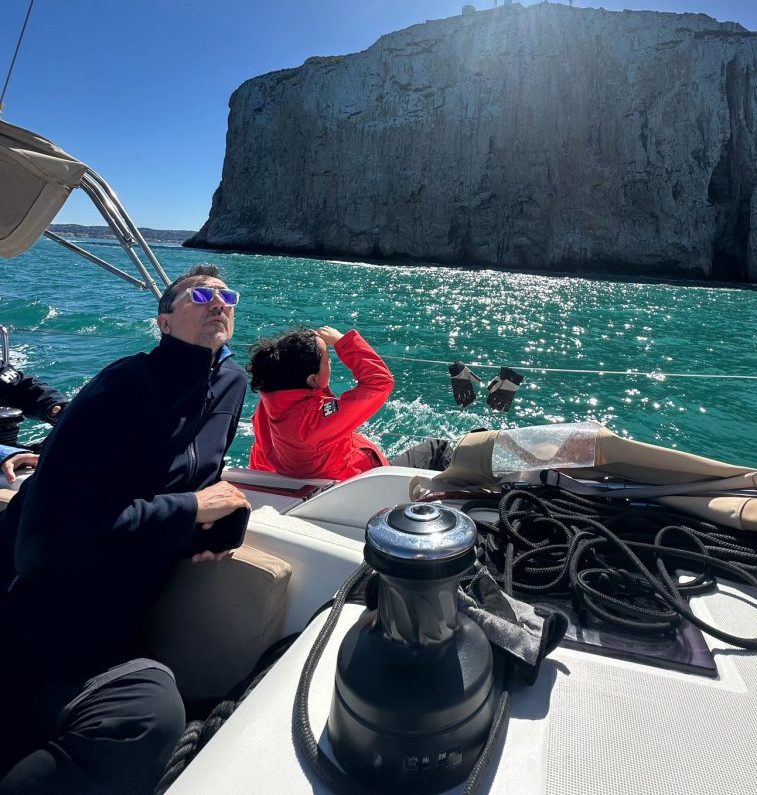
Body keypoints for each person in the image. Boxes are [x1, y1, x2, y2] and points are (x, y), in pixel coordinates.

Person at [0, 264, 251, 795]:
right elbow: (45, 544)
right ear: (163, 319)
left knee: (150, 714)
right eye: (199, 294)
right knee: (150, 714)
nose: (217, 302)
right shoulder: (126, 383)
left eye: (226, 294)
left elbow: (192, 476)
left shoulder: (230, 383)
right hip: (31, 616)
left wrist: (224, 521)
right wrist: (188, 510)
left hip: (104, 630)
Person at [248, 326, 453, 481]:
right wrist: (341, 341)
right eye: (328, 360)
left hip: (329, 484)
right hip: (361, 484)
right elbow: (379, 382)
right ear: (311, 379)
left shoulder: (268, 406)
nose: (331, 363)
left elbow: (261, 455)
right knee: (438, 448)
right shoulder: (315, 421)